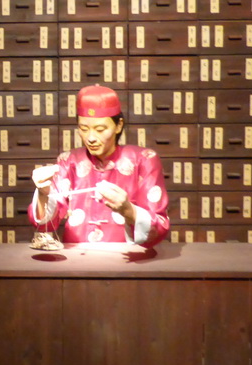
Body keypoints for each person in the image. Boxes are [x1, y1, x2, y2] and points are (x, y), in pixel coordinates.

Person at [30, 85, 169, 247]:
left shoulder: (144, 160)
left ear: (118, 125)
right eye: (83, 128)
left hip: (127, 259)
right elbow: (46, 226)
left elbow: (160, 225)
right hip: (76, 258)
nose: (91, 138)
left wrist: (129, 211)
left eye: (100, 129)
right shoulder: (68, 161)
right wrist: (43, 194)